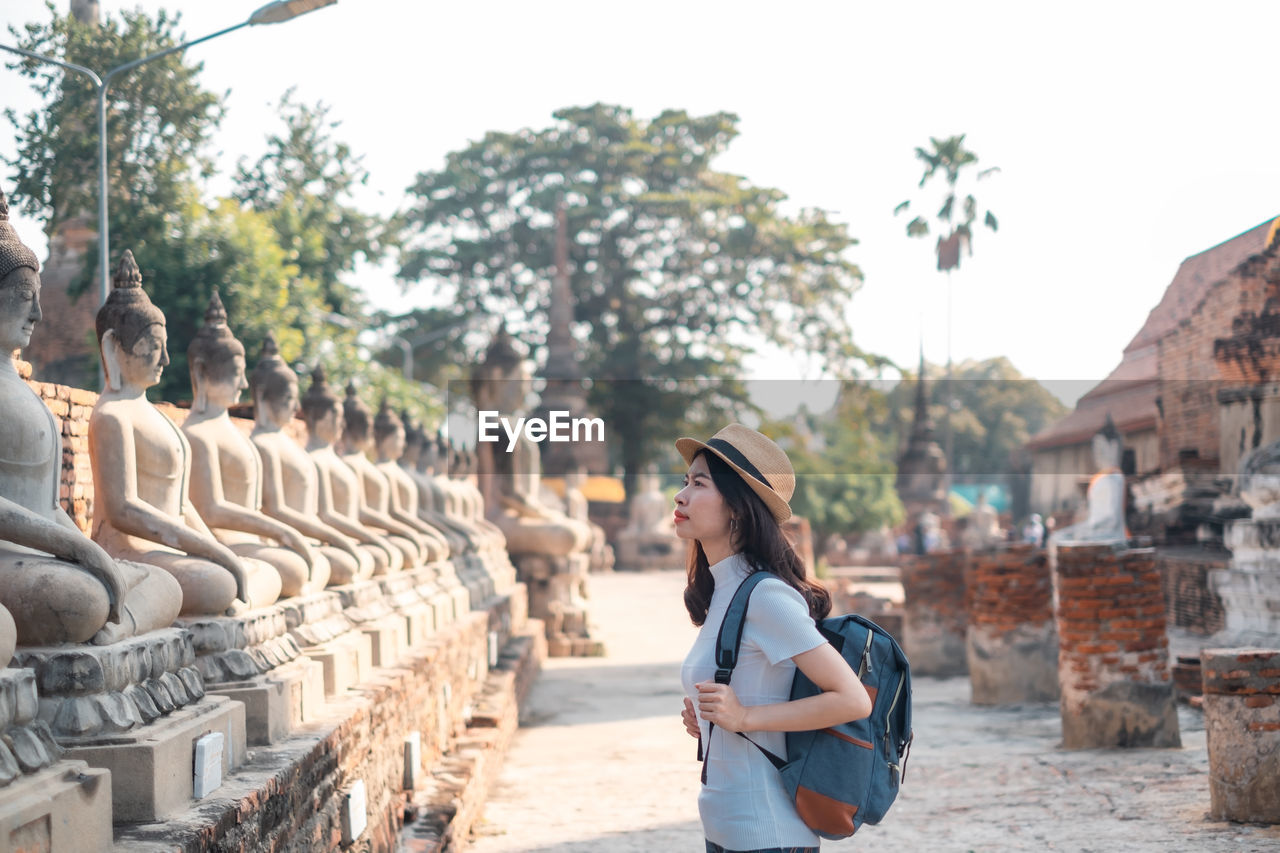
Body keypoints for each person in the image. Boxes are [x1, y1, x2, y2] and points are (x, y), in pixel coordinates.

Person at [675, 423, 872, 853]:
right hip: (725, 828)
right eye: (685, 482)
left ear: (738, 508)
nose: (681, 495)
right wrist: (708, 725)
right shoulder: (722, 591)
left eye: (699, 483)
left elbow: (852, 699)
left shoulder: (766, 596)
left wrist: (744, 719)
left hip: (768, 834)